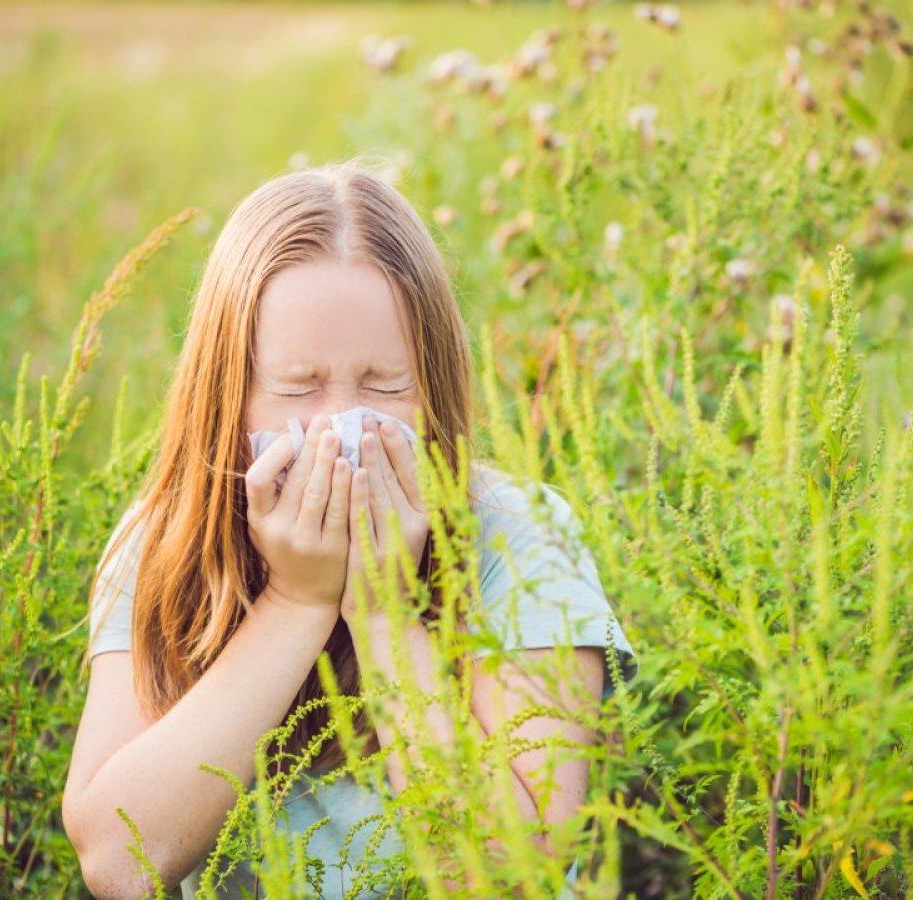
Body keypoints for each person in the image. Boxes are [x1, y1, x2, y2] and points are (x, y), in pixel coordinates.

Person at [61, 159, 636, 898]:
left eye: (384, 386)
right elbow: (118, 861)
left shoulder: (520, 540)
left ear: (434, 391)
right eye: (297, 387)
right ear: (228, 397)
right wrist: (296, 603)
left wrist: (384, 611)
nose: (338, 430)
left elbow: (511, 878)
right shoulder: (166, 544)